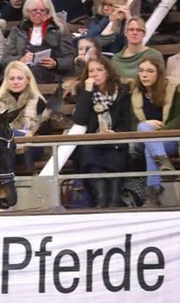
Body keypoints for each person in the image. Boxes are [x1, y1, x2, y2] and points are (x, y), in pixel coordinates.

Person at [72, 56, 131, 208]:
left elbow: (127, 121)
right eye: (91, 71)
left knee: (116, 151)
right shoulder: (84, 92)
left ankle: (114, 200)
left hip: (116, 140)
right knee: (88, 151)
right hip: (93, 142)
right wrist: (87, 91)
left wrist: (115, 133)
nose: (94, 74)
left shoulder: (122, 92)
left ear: (108, 73)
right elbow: (79, 119)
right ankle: (101, 200)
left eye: (99, 70)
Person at [131, 58, 180, 206]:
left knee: (150, 147)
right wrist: (146, 124)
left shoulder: (173, 90)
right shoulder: (134, 93)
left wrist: (159, 132)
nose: (144, 75)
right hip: (139, 140)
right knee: (143, 128)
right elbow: (131, 122)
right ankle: (163, 163)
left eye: (149, 71)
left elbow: (178, 118)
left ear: (159, 74)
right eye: (141, 71)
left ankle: (152, 194)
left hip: (168, 140)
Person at [2, 0, 75, 84]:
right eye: (34, 10)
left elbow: (71, 59)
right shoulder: (18, 30)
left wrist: (56, 63)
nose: (38, 13)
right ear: (28, 12)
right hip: (20, 72)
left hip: (51, 74)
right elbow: (5, 59)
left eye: (42, 10)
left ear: (48, 12)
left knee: (34, 73)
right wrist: (20, 60)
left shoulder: (59, 29)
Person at [0, 61, 46, 172]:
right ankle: (10, 182)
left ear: (27, 80)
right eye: (11, 79)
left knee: (9, 146)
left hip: (31, 143)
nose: (15, 82)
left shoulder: (38, 100)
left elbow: (45, 126)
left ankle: (8, 185)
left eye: (20, 78)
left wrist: (30, 133)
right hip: (7, 144)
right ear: (6, 81)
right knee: (6, 145)